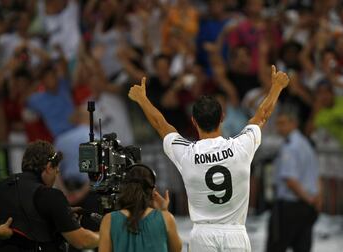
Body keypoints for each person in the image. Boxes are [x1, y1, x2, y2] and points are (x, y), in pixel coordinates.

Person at [128, 65, 289, 251]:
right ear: (222, 117)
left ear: (193, 121)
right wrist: (276, 86)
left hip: (202, 236)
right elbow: (262, 115)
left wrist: (142, 99)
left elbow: (161, 125)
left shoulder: (187, 154)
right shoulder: (241, 147)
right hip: (235, 235)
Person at [0, 140, 99, 252]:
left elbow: (26, 218)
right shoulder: (50, 195)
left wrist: (60, 214)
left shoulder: (0, 188)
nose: (56, 176)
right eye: (56, 171)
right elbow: (82, 241)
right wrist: (105, 236)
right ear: (48, 167)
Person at [266, 109, 321, 252]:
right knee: (302, 247)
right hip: (307, 206)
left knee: (276, 246)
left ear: (294, 124)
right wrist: (315, 200)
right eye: (278, 123)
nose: (279, 127)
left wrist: (308, 199)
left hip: (290, 206)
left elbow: (290, 180)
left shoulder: (290, 147)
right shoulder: (306, 143)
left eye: (283, 123)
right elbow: (316, 175)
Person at [99, 164, 182, 252]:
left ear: (123, 189)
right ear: (153, 191)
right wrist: (164, 211)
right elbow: (176, 249)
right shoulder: (166, 218)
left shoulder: (109, 220)